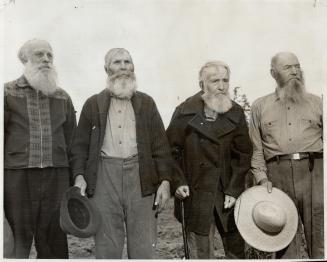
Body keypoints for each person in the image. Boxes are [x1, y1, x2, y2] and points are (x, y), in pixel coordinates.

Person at [70, 48, 172, 259]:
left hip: (140, 176)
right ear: (107, 68)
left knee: (144, 246)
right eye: (117, 62)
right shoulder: (92, 104)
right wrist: (79, 176)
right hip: (104, 177)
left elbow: (160, 146)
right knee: (107, 246)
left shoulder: (147, 103)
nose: (123, 66)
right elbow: (79, 146)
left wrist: (165, 181)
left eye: (127, 62)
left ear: (133, 67)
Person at [166, 61, 252, 259]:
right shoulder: (184, 111)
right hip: (195, 195)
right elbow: (170, 151)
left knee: (236, 252)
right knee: (199, 254)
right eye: (215, 81)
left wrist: (234, 189)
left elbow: (243, 155)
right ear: (201, 84)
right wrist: (178, 182)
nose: (221, 86)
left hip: (227, 196)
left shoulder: (236, 112)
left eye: (225, 80)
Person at [4, 39, 76, 258]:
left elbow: (72, 141)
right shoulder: (7, 92)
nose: (46, 59)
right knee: (17, 241)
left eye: (49, 55)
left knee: (54, 241)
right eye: (39, 55)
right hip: (17, 177)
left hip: (56, 177)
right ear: (25, 59)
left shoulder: (62, 96)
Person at [249, 52, 324, 259]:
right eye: (288, 67)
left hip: (315, 173)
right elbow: (257, 150)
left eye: (297, 66)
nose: (294, 71)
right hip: (277, 177)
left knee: (321, 240)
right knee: (284, 243)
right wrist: (262, 179)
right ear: (273, 73)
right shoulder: (259, 106)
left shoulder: (318, 103)